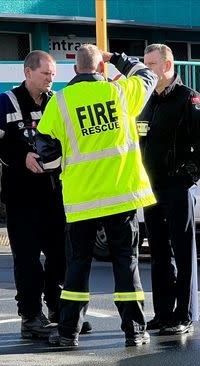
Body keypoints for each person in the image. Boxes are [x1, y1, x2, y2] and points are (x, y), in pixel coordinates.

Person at [34, 44, 158, 347]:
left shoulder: (60, 102)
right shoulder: (120, 93)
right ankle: (135, 331)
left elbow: (46, 155)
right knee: (126, 264)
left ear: (75, 69)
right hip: (122, 195)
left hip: (82, 199)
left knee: (77, 265)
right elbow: (148, 75)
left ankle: (67, 332)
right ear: (100, 67)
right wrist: (114, 57)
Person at [0, 50, 90, 339]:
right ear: (28, 73)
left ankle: (57, 309)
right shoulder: (7, 101)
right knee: (27, 260)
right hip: (20, 198)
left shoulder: (57, 101)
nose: (51, 79)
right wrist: (22, 156)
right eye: (46, 74)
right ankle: (30, 317)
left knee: (59, 257)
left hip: (54, 195)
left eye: (53, 74)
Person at [138, 43, 200, 336]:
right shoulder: (147, 101)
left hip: (177, 187)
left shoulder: (189, 99)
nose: (146, 70)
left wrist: (187, 179)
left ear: (167, 66)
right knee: (158, 252)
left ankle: (184, 314)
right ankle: (163, 313)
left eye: (151, 65)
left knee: (182, 252)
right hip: (151, 187)